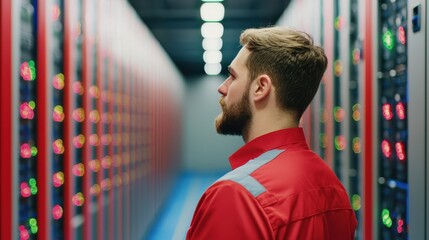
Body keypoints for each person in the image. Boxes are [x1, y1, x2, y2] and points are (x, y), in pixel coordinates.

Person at [186, 26, 357, 240]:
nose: (222, 87)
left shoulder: (235, 196)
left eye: (232, 76)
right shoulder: (333, 188)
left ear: (260, 88)